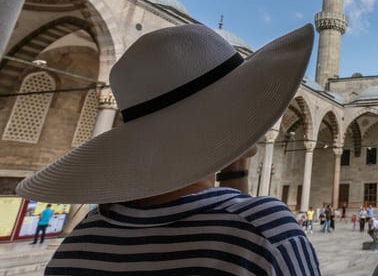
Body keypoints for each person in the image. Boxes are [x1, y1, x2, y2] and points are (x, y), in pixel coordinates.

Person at [15, 24, 320, 274]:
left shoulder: (82, 240)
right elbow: (233, 222)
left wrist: (231, 156)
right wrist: (233, 157)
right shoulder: (263, 228)